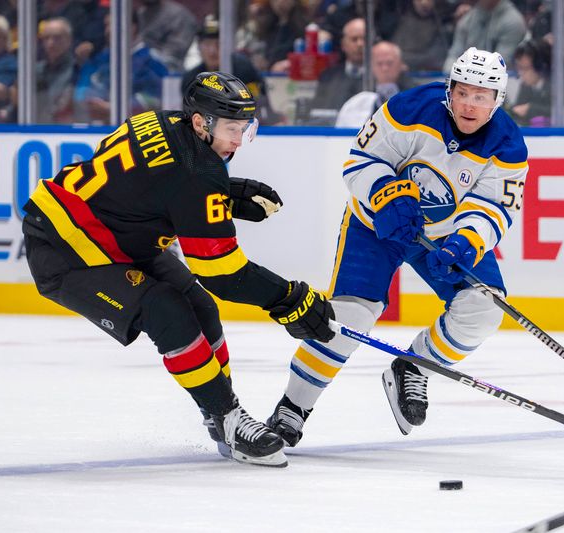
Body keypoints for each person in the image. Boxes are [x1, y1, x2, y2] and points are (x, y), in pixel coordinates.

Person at [21, 71, 336, 467]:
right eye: (231, 129)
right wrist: (290, 298)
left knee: (201, 308)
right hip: (66, 249)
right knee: (165, 309)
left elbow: (148, 181)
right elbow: (223, 272)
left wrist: (223, 194)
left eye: (246, 129)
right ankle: (228, 419)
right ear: (202, 122)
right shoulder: (198, 174)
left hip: (117, 237)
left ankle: (220, 413)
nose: (239, 141)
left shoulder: (166, 120)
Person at [267, 47, 529, 445]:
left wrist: (465, 242)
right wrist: (386, 194)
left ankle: (414, 367)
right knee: (350, 316)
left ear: (498, 100)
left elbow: (493, 206)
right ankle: (293, 407)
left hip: (441, 236)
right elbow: (361, 160)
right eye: (463, 92)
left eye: (481, 96)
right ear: (449, 90)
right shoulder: (409, 108)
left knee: (484, 307)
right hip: (376, 224)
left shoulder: (508, 145)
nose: (470, 104)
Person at [182, 15, 283, 125]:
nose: (212, 51)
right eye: (207, 44)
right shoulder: (191, 79)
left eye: (218, 44)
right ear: (199, 47)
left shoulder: (244, 69)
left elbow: (257, 105)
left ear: (227, 46)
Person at [73, 12, 168, 123]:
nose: (108, 31)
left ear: (132, 27)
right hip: (98, 127)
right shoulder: (101, 59)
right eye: (106, 25)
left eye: (113, 25)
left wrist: (113, 108)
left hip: (137, 129)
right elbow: (81, 91)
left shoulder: (152, 61)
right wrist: (91, 102)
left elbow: (155, 100)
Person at [335, 40, 416, 128]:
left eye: (389, 63)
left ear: (401, 64)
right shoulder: (355, 98)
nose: (385, 68)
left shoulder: (416, 95)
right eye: (379, 63)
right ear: (371, 66)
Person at [443, 0, 526, 72]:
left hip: (502, 84)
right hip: (465, 79)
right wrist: (452, 74)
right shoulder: (468, 18)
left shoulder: (513, 21)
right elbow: (453, 56)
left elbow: (500, 65)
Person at [36, 17, 75, 124]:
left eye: (57, 38)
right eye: (46, 38)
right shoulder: (34, 71)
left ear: (69, 40)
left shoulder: (77, 69)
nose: (51, 43)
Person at [507, 39, 552, 126]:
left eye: (525, 68)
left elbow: (561, 112)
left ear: (541, 67)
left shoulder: (556, 86)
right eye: (519, 68)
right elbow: (517, 110)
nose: (520, 74)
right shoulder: (526, 85)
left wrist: (530, 109)